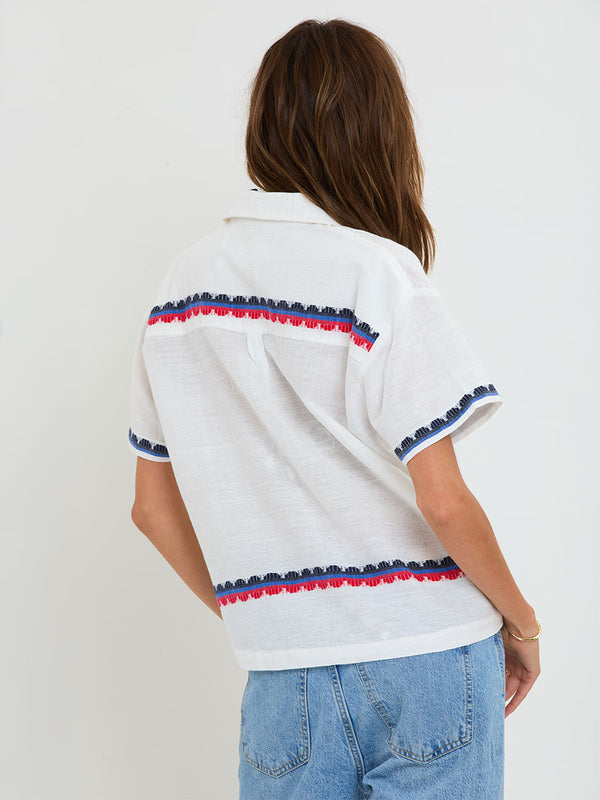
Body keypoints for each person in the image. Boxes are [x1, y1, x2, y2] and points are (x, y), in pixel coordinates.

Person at [128, 17, 540, 800]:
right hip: (431, 655)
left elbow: (151, 509)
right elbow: (445, 501)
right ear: (380, 132)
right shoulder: (377, 275)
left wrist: (272, 620)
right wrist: (520, 623)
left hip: (283, 678)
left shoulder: (177, 294)